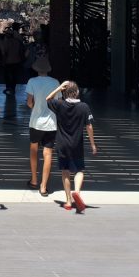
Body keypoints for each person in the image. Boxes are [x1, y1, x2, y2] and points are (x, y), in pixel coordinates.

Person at [45, 80, 98, 213]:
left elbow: (48, 98)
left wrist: (59, 88)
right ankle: (77, 192)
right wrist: (92, 143)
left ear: (64, 93)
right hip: (77, 144)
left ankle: (68, 201)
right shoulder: (84, 107)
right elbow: (89, 126)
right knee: (79, 170)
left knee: (65, 172)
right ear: (78, 92)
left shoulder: (59, 104)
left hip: (62, 144)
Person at [25, 57, 61, 196]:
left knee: (33, 150)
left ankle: (34, 179)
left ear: (36, 69)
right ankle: (43, 186)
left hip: (35, 122)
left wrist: (35, 108)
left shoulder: (32, 81)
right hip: (51, 123)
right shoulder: (55, 82)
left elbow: (29, 102)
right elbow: (59, 102)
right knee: (48, 154)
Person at [0, 24, 25, 95]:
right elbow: (21, 52)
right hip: (17, 61)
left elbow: (5, 53)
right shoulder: (17, 42)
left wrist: (3, 62)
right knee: (14, 76)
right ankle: (13, 89)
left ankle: (8, 88)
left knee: (7, 76)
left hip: (8, 61)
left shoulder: (6, 42)